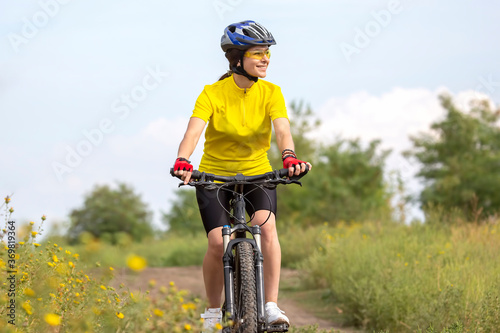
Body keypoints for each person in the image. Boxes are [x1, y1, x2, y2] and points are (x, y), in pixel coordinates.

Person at [172, 20, 312, 332]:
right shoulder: (212, 94)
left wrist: (289, 157)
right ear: (237, 59)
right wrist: (183, 160)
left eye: (267, 54)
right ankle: (211, 311)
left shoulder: (272, 93)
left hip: (257, 173)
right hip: (214, 176)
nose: (265, 59)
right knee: (216, 243)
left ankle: (271, 305)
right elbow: (193, 131)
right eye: (258, 53)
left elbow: (283, 130)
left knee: (267, 226)